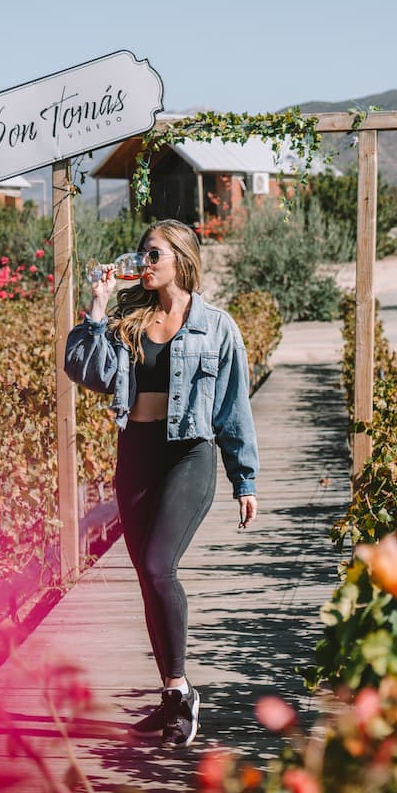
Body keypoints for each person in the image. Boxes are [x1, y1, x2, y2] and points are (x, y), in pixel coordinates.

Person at [64, 219, 258, 746]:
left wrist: (245, 479)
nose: (143, 263)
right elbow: (86, 371)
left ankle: (179, 689)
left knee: (158, 565)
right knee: (149, 580)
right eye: (142, 253)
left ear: (180, 259)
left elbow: (234, 405)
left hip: (189, 454)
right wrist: (98, 307)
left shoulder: (217, 326)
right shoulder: (129, 315)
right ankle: (170, 697)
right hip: (137, 454)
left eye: (153, 255)